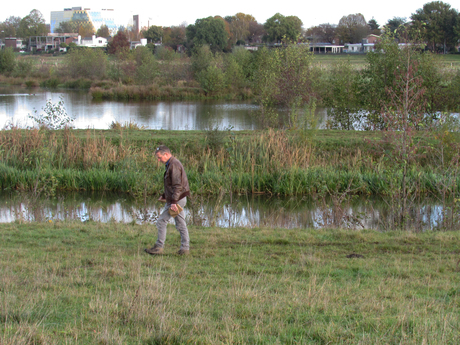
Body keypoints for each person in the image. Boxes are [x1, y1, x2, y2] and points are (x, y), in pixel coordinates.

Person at [145, 145, 190, 255]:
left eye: (159, 157)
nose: (158, 160)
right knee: (180, 224)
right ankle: (184, 248)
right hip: (177, 198)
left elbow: (177, 185)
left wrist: (173, 202)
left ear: (166, 154)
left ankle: (159, 247)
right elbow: (172, 184)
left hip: (177, 200)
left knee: (162, 221)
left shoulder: (173, 165)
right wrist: (165, 195)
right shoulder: (171, 163)